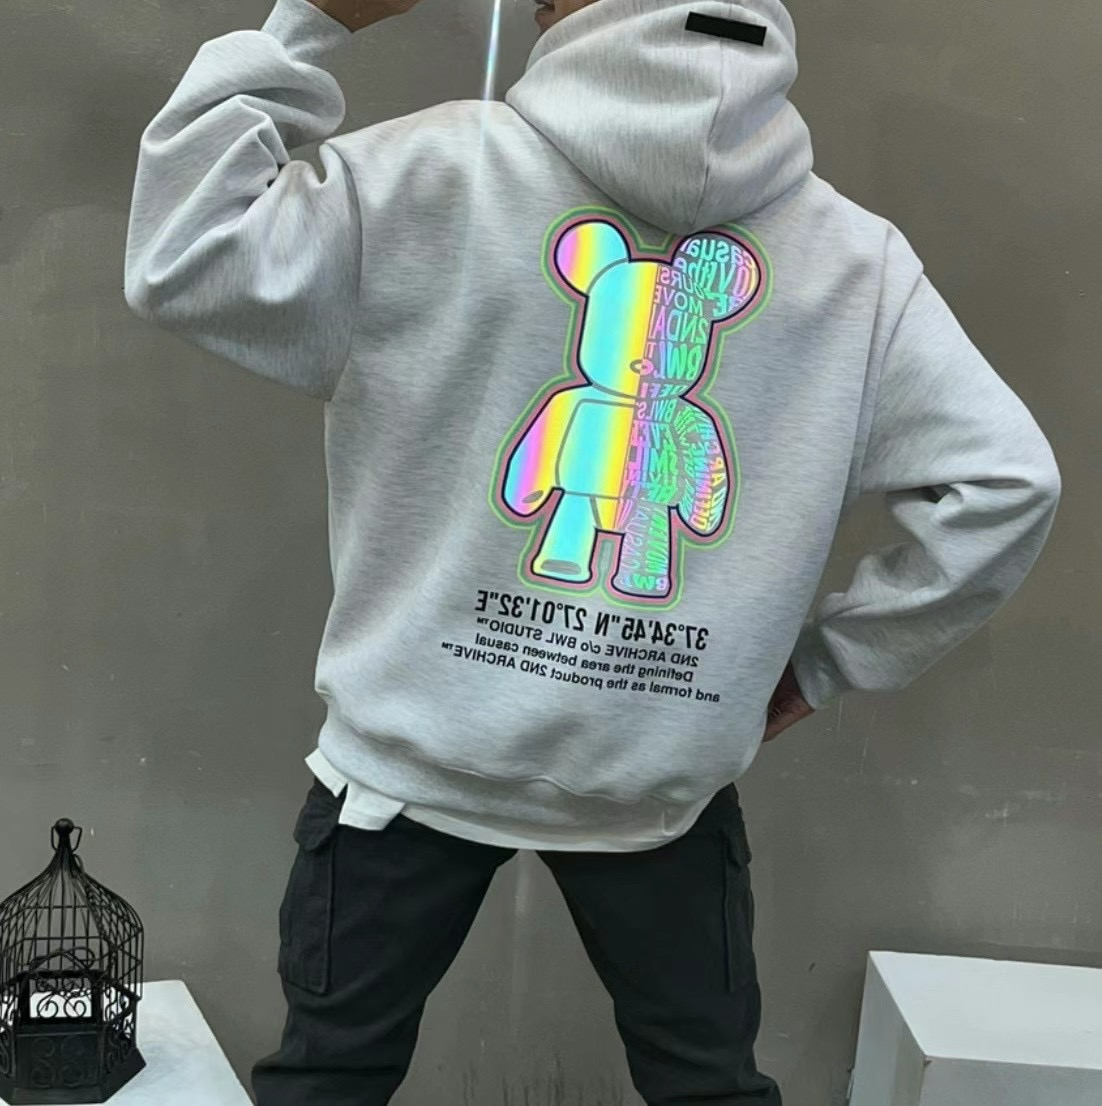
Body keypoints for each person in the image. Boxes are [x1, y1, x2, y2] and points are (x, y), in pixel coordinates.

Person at [122, 0, 1062, 1102]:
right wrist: (824, 663)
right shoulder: (858, 264)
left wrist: (309, 25)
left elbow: (182, 257)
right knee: (707, 1082)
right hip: (659, 779)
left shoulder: (431, 175)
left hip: (405, 766)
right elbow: (1007, 484)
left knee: (330, 1077)